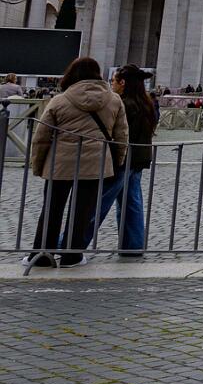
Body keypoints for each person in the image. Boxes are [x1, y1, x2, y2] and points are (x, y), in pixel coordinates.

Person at [27, 57, 129, 268]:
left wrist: (37, 165)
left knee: (52, 209)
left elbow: (41, 137)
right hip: (95, 163)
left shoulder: (60, 100)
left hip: (60, 163)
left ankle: (42, 255)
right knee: (82, 211)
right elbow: (121, 136)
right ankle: (72, 256)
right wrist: (117, 162)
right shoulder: (114, 100)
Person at [94, 64, 155, 258]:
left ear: (122, 82)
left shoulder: (124, 104)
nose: (111, 84)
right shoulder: (147, 103)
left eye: (113, 80)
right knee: (131, 202)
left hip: (122, 159)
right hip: (138, 159)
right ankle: (132, 245)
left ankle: (70, 243)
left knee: (98, 203)